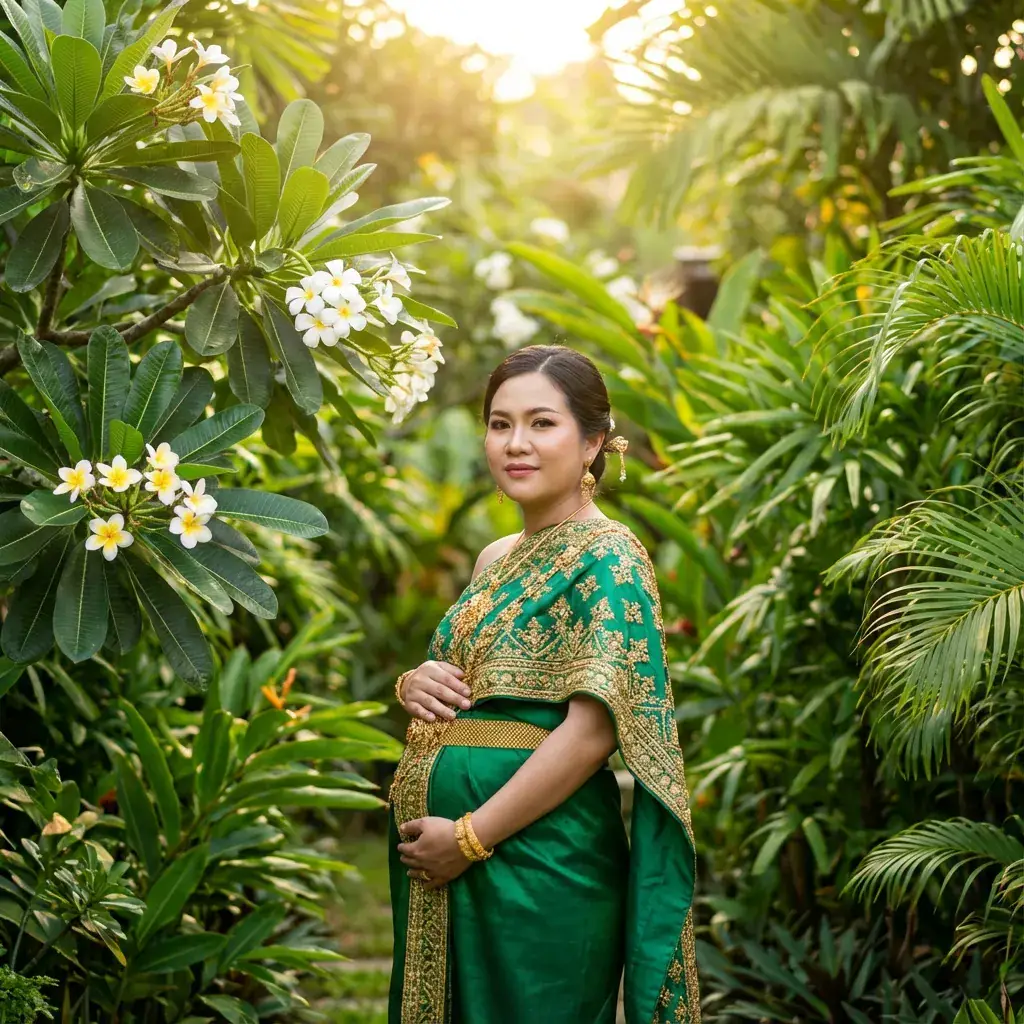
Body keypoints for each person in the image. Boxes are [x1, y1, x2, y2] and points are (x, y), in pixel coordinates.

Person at [386, 345, 699, 1024]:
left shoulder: (610, 558)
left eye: (541, 424)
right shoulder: (494, 558)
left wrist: (468, 837)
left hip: (539, 863)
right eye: (500, 424)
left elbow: (590, 733)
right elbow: (471, 690)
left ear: (592, 442)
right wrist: (416, 684)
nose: (515, 444)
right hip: (442, 858)